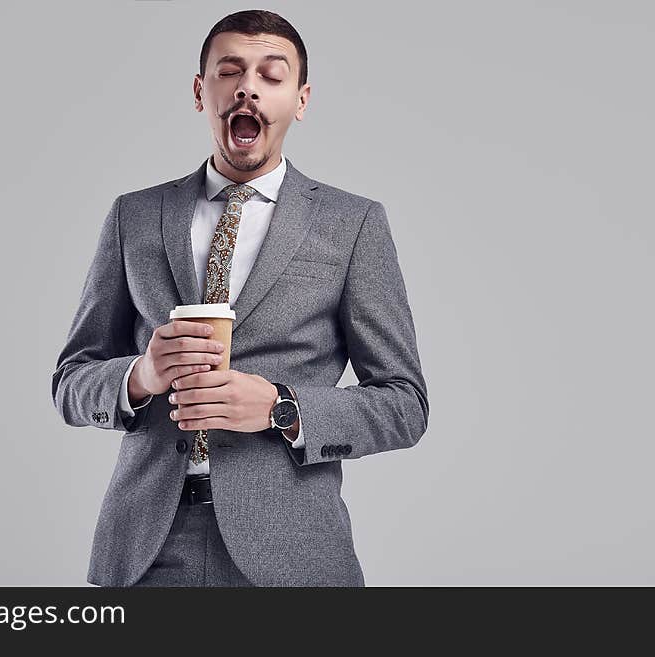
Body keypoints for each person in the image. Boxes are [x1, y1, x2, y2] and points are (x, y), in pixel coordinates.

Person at [51, 9, 430, 587]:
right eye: (230, 72)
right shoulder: (134, 216)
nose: (247, 86)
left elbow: (405, 405)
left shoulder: (352, 225)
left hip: (293, 553)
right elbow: (71, 382)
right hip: (146, 551)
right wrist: (139, 376)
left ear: (300, 100)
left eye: (271, 76)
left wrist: (282, 408)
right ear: (202, 92)